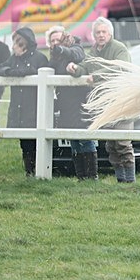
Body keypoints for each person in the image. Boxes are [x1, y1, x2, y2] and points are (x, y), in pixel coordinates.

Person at [68, 17, 136, 183]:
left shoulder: (119, 48)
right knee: (111, 145)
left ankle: (130, 180)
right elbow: (86, 66)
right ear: (93, 35)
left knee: (123, 143)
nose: (101, 35)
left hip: (122, 102)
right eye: (98, 32)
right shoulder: (93, 51)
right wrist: (75, 69)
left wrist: (96, 76)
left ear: (110, 33)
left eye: (104, 31)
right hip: (105, 104)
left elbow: (119, 68)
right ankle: (121, 180)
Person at [46, 25, 97, 180]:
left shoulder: (76, 46)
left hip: (81, 100)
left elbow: (78, 55)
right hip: (65, 102)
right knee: (73, 139)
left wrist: (62, 50)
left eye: (58, 39)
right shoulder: (54, 58)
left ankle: (92, 176)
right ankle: (81, 177)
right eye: (52, 40)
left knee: (85, 137)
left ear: (65, 37)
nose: (55, 43)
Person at [0, 27, 48, 177]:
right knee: (24, 142)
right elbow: (0, 68)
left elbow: (33, 71)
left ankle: (39, 171)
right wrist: (11, 72)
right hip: (19, 107)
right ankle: (29, 172)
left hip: (34, 106)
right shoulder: (14, 58)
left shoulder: (40, 58)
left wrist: (18, 72)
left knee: (36, 141)